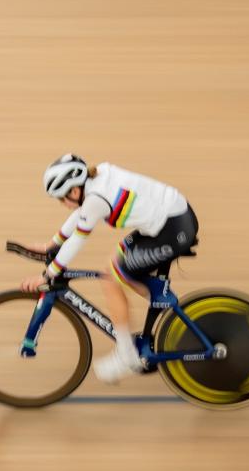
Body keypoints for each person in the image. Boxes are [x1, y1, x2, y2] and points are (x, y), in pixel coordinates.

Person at [30, 154, 198, 384]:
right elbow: (80, 214)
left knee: (111, 279)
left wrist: (48, 273)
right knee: (115, 266)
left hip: (171, 230)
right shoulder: (97, 177)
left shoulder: (96, 199)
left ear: (75, 192)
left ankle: (126, 356)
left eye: (61, 199)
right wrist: (52, 244)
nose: (62, 204)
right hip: (169, 220)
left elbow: (79, 237)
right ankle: (161, 302)